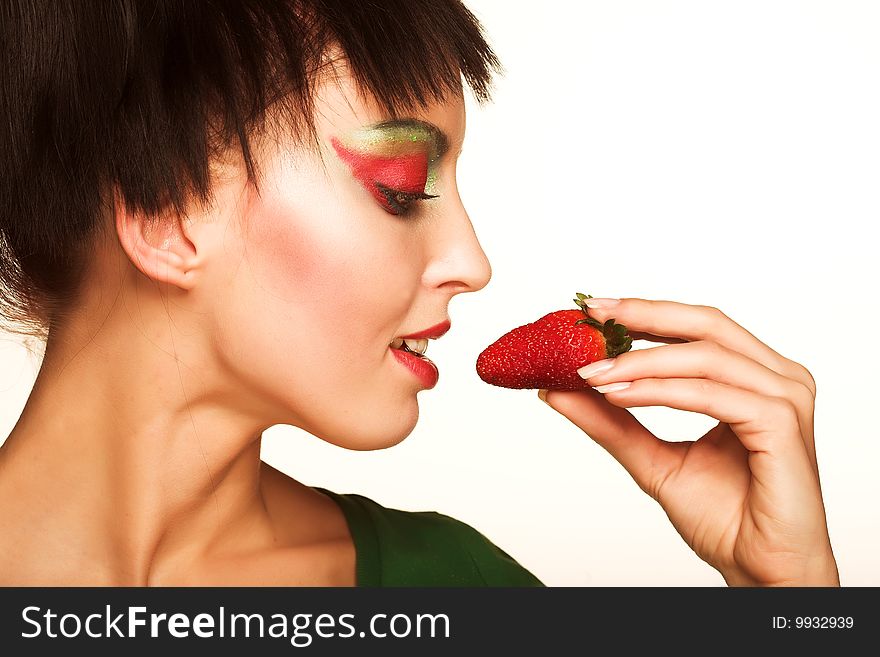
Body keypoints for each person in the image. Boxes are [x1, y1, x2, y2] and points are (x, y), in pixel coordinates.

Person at [0, 0, 838, 587]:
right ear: (165, 208)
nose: (474, 262)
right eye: (401, 188)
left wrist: (790, 601)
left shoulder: (459, 589)